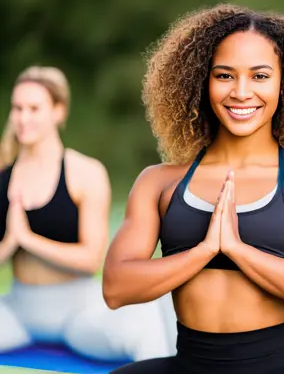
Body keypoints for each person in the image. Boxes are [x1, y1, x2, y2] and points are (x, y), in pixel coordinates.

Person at [102, 4, 284, 374]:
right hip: (194, 364)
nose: (241, 92)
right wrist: (203, 251)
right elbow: (117, 288)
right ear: (202, 81)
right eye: (225, 76)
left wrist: (236, 248)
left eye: (260, 76)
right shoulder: (160, 182)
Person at [0, 66, 176, 362]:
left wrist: (26, 239)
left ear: (58, 111)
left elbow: (91, 259)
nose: (23, 118)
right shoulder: (4, 174)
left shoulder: (85, 173)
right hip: (17, 310)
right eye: (17, 108)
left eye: (34, 108)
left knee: (146, 324)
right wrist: (9, 244)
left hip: (78, 311)